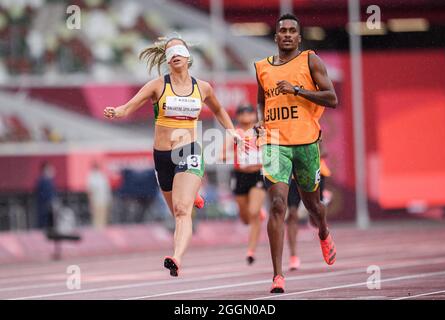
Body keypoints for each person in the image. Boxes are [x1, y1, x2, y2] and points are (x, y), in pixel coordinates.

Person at [104, 37, 240, 277]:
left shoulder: (203, 87)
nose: (175, 54)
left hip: (188, 150)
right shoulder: (157, 85)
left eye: (179, 50)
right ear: (167, 59)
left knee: (181, 210)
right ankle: (193, 193)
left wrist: (232, 131)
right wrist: (118, 111)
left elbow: (218, 109)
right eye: (170, 51)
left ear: (188, 57)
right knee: (175, 209)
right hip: (162, 156)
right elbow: (128, 106)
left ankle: (176, 257)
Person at [254, 13, 338, 293]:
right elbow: (261, 100)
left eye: (292, 31)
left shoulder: (310, 60)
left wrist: (298, 90)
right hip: (275, 142)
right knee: (277, 205)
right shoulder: (262, 68)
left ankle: (323, 231)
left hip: (306, 143)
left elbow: (332, 98)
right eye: (283, 31)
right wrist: (259, 120)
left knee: (313, 207)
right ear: (276, 37)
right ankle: (278, 275)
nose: (287, 34)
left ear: (299, 37)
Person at [223, 104, 266, 265]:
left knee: (254, 212)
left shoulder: (261, 131)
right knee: (246, 218)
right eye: (242, 112)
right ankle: (256, 212)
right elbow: (221, 155)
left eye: (249, 112)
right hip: (240, 176)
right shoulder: (235, 134)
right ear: (238, 116)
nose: (246, 115)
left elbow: (273, 151)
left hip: (258, 175)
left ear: (255, 115)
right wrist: (239, 152)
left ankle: (251, 250)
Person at [87, 162, 112, 229]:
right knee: (96, 216)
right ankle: (97, 229)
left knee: (103, 215)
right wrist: (90, 200)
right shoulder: (91, 176)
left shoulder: (102, 176)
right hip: (96, 199)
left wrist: (109, 199)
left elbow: (107, 188)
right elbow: (90, 190)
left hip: (103, 199)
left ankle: (103, 229)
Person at [34, 161, 56, 231]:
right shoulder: (41, 180)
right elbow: (42, 194)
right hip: (44, 205)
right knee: (44, 222)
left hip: (49, 204)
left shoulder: (50, 180)